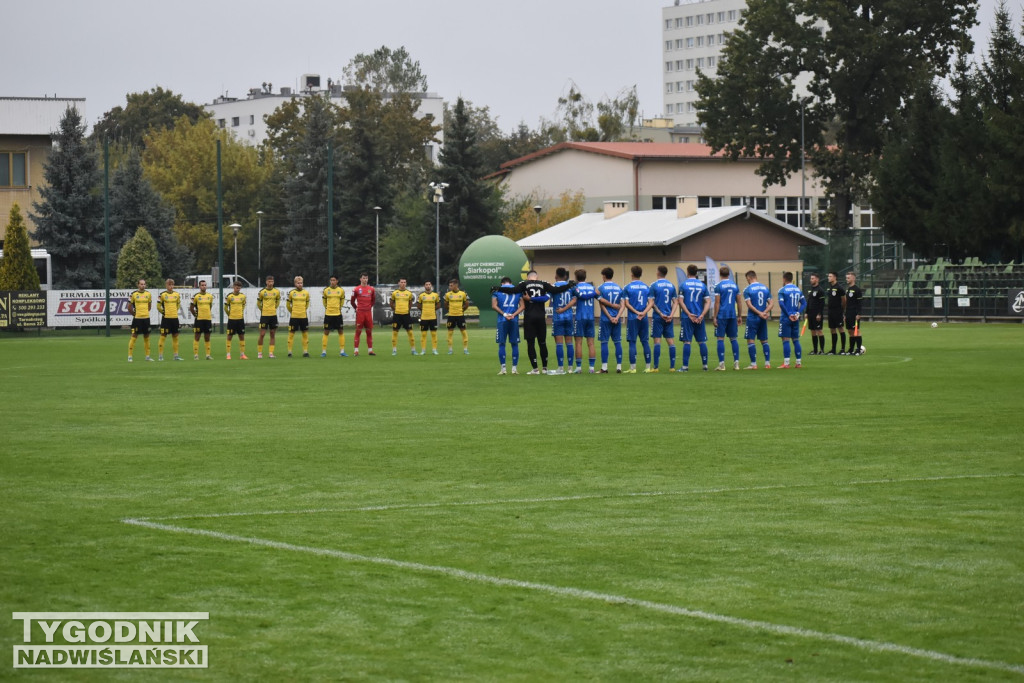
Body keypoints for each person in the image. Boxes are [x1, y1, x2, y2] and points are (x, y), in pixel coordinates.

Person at [493, 271, 575, 374]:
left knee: (530, 343)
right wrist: (568, 285)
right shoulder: (543, 284)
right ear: (536, 276)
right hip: (541, 317)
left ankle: (535, 369)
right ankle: (545, 368)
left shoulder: (524, 284)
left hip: (529, 317)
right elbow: (556, 290)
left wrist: (498, 288)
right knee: (542, 343)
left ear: (528, 277)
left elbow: (513, 290)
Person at [677, 264, 711, 371]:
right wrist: (702, 314)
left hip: (688, 317)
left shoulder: (683, 285)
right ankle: (705, 366)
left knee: (687, 341)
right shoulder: (702, 285)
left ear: (687, 272)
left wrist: (688, 313)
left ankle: (685, 367)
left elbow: (680, 301)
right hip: (699, 317)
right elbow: (708, 301)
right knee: (702, 341)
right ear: (696, 273)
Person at [622, 265, 652, 373]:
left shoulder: (627, 287)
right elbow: (651, 303)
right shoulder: (646, 287)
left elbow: (626, 303)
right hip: (644, 318)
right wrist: (643, 312)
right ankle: (648, 367)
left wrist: (636, 312)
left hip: (632, 318)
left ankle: (633, 368)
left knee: (632, 342)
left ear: (632, 274)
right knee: (645, 341)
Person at [647, 265, 678, 372]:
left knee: (657, 341)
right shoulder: (671, 285)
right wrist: (671, 314)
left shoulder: (654, 285)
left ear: (658, 272)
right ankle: (672, 367)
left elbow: (651, 303)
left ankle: (655, 367)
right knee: (670, 341)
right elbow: (675, 302)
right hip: (669, 317)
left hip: (658, 317)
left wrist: (660, 313)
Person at [492, 276, 524, 375]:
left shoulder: (497, 290)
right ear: (511, 282)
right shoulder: (518, 290)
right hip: (514, 320)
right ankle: (514, 369)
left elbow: (494, 305)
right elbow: (523, 306)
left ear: (502, 283)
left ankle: (503, 369)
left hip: (502, 320)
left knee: (502, 344)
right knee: (514, 344)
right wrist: (514, 315)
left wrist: (504, 314)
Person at [568, 269, 599, 373]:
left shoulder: (575, 288)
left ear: (576, 277)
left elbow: (578, 297)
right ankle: (591, 368)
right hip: (590, 317)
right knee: (591, 343)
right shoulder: (592, 288)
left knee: (578, 343)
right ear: (585, 277)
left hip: (580, 318)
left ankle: (579, 368)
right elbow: (600, 298)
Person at [712, 266, 741, 371]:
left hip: (722, 315)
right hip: (732, 315)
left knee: (720, 339)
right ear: (728, 274)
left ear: (720, 274)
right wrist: (740, 316)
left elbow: (717, 302)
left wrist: (715, 317)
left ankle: (722, 364)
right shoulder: (735, 285)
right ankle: (736, 363)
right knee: (733, 339)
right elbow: (739, 301)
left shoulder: (718, 286)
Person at [742, 270, 772, 369]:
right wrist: (764, 312)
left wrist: (759, 313)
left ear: (749, 278)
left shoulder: (747, 289)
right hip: (763, 318)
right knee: (764, 340)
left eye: (747, 279)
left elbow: (749, 305)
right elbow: (771, 303)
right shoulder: (765, 288)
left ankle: (753, 364)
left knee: (751, 340)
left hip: (753, 317)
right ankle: (767, 363)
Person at [596, 267, 624, 373]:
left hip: (605, 319)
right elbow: (622, 305)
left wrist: (609, 317)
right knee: (617, 342)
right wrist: (616, 317)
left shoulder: (601, 288)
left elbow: (601, 305)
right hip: (617, 319)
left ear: (604, 276)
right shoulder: (619, 288)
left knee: (604, 342)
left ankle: (604, 368)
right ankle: (619, 367)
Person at [777, 271, 807, 368]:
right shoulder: (798, 290)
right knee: (796, 340)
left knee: (785, 340)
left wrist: (788, 314)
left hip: (786, 318)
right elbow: (804, 303)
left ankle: (786, 363)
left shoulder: (782, 290)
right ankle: (798, 363)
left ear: (784, 279)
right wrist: (798, 313)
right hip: (796, 318)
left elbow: (781, 304)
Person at [550, 267, 576, 374]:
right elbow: (574, 299)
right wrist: (565, 309)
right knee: (569, 343)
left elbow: (546, 298)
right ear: (565, 276)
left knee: (559, 344)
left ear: (556, 276)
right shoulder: (571, 287)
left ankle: (560, 368)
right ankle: (570, 368)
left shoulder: (553, 286)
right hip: (569, 317)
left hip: (558, 317)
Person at [156, 278, 184, 361]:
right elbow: (158, 306)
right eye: (169, 285)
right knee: (163, 336)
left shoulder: (177, 294)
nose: (171, 286)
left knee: (175, 336)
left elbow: (178, 304)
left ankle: (176, 356)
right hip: (166, 319)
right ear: (166, 285)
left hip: (175, 318)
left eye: (172, 285)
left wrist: (175, 310)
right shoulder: (162, 295)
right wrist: (164, 312)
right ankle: (160, 356)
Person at [127, 278, 154, 362]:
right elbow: (129, 306)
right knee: (134, 336)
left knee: (146, 336)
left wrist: (145, 312)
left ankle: (147, 356)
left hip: (146, 318)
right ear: (138, 285)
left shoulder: (148, 294)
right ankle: (130, 356)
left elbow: (149, 306)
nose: (143, 285)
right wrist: (134, 314)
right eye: (141, 284)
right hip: (137, 319)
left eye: (144, 284)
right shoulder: (133, 294)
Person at [321, 275, 347, 357]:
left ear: (337, 281)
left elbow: (342, 301)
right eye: (331, 280)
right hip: (328, 314)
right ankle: (324, 351)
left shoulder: (341, 290)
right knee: (326, 332)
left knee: (341, 331)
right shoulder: (326, 290)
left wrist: (338, 308)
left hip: (337, 314)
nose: (332, 282)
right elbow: (324, 302)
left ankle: (342, 351)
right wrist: (328, 308)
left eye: (334, 280)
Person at [255, 275, 281, 359]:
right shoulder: (262, 292)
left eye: (272, 281)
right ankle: (259, 353)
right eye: (269, 281)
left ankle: (271, 353)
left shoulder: (276, 291)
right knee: (262, 334)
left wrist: (273, 308)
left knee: (272, 334)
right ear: (266, 282)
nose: (270, 283)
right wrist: (263, 310)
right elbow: (259, 303)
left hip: (273, 315)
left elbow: (277, 302)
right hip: (264, 316)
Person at [351, 273, 376, 356]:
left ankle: (370, 350)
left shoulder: (371, 289)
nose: (365, 280)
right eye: (363, 278)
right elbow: (352, 301)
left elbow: (373, 300)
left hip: (368, 313)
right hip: (360, 313)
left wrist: (368, 307)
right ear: (360, 279)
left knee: (369, 332)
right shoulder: (356, 289)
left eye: (366, 278)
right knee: (358, 332)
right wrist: (356, 308)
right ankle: (356, 351)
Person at [390, 278, 416, 355]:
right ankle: (394, 350)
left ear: (406, 283)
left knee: (410, 332)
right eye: (401, 282)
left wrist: (407, 310)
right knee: (395, 333)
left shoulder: (409, 293)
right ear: (399, 283)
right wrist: (396, 310)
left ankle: (413, 350)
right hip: (397, 315)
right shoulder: (395, 293)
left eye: (404, 282)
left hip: (406, 315)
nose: (403, 284)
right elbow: (391, 303)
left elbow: (410, 303)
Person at [286, 275, 311, 357]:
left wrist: (303, 310)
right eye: (298, 283)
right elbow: (288, 305)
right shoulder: (292, 293)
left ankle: (305, 352)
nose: (300, 284)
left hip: (303, 316)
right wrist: (292, 311)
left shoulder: (306, 293)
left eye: (301, 283)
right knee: (291, 334)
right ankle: (289, 352)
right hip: (294, 317)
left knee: (305, 334)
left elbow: (307, 304)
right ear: (295, 284)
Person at [444, 278, 470, 355]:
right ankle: (450, 350)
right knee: (450, 333)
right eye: (449, 285)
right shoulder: (448, 294)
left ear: (456, 285)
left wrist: (462, 310)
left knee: (464, 332)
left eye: (451, 285)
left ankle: (465, 349)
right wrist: (451, 310)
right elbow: (445, 304)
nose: (450, 287)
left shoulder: (463, 294)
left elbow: (466, 304)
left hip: (460, 316)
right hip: (451, 316)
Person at [190, 279, 215, 360]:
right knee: (197, 337)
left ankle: (208, 355)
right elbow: (191, 308)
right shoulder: (195, 296)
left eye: (205, 285)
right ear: (199, 286)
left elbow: (210, 306)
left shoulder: (210, 296)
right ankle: (196, 355)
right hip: (199, 320)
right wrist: (196, 315)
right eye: (202, 285)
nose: (204, 286)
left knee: (207, 337)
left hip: (207, 319)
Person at [224, 280, 248, 360]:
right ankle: (228, 355)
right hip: (232, 320)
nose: (238, 289)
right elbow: (225, 308)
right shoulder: (229, 296)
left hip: (240, 319)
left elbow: (243, 306)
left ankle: (242, 355)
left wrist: (240, 313)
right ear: (233, 287)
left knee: (241, 336)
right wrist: (230, 315)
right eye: (236, 288)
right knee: (229, 336)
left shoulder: (243, 296)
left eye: (239, 288)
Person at [416, 280, 441, 355]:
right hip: (424, 317)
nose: (428, 286)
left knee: (433, 334)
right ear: (424, 286)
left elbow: (439, 305)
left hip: (433, 317)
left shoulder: (435, 295)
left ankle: (434, 350)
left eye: (429, 284)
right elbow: (418, 305)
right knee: (423, 334)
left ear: (431, 286)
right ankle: (423, 350)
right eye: (426, 284)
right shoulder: (421, 295)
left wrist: (432, 309)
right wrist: (424, 310)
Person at [825, 271, 846, 355]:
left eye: (830, 276)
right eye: (828, 276)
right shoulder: (830, 288)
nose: (828, 278)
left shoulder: (839, 288)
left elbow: (844, 300)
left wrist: (842, 310)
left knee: (840, 328)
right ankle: (833, 349)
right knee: (832, 329)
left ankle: (843, 349)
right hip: (830, 312)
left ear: (835, 277)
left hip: (838, 311)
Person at [805, 273, 826, 355]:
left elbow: (822, 303)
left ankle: (822, 350)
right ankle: (815, 350)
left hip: (817, 314)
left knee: (819, 331)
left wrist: (819, 314)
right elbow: (809, 302)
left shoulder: (820, 290)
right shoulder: (811, 290)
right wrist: (806, 312)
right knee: (813, 332)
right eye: (811, 278)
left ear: (817, 279)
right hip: (810, 313)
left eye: (813, 278)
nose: (811, 280)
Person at [844, 272, 864, 355]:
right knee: (849, 331)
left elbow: (860, 303)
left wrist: (858, 314)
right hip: (848, 313)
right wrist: (845, 314)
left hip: (854, 313)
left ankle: (858, 349)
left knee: (856, 330)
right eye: (846, 278)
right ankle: (851, 349)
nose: (847, 279)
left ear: (853, 278)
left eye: (848, 278)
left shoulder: (857, 289)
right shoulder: (847, 289)